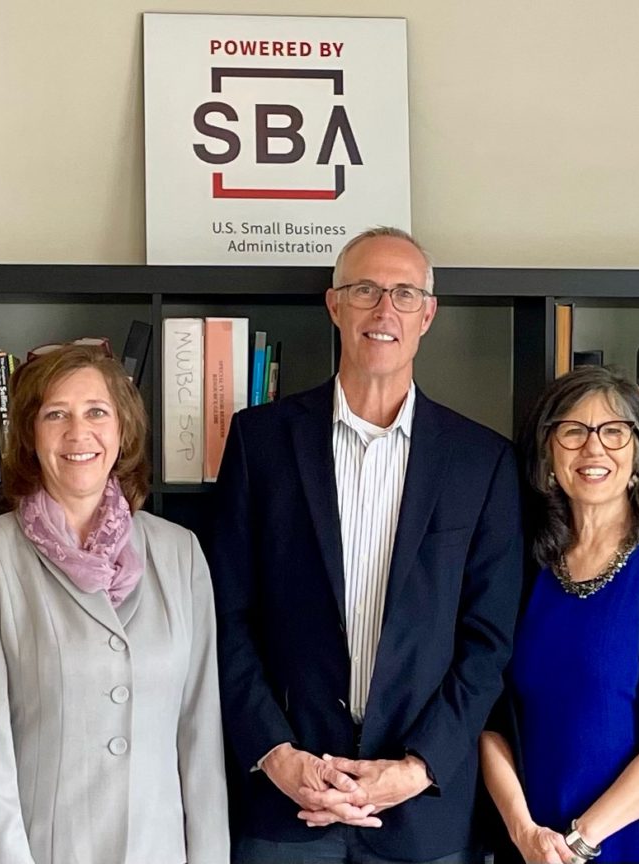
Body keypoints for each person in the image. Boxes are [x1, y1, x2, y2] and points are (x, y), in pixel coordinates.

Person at [210, 227, 523, 864]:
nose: (385, 310)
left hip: (421, 810)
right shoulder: (259, 442)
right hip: (288, 801)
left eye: (405, 294)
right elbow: (225, 616)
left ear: (427, 315)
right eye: (366, 291)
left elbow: (488, 641)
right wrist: (275, 754)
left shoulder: (481, 461)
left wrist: (416, 767)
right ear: (334, 305)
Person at [0, 344, 228, 864]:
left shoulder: (179, 552)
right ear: (30, 434)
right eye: (56, 414)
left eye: (97, 411)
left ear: (123, 429)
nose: (79, 433)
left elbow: (200, 731)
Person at [480, 365, 639, 864]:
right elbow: (488, 718)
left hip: (628, 843)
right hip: (527, 846)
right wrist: (525, 835)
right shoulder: (518, 571)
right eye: (573, 431)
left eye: (614, 431)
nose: (593, 448)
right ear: (547, 455)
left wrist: (580, 842)